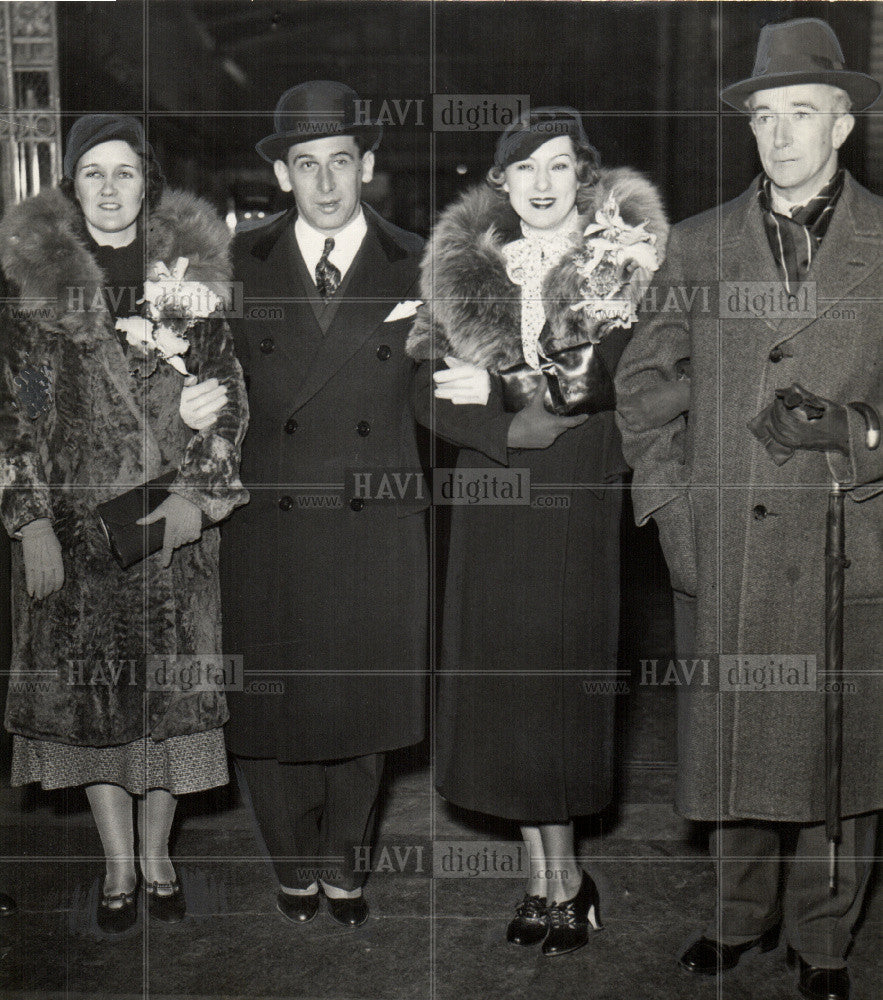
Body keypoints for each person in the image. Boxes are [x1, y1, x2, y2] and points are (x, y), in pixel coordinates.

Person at [615, 19, 881, 1000]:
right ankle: (734, 917)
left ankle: (823, 939)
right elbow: (644, 387)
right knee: (731, 747)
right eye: (764, 116)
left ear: (842, 123)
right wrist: (673, 509)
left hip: (846, 538)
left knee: (838, 759)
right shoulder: (694, 244)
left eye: (801, 114)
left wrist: (848, 435)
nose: (779, 136)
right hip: (725, 540)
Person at [408, 108, 668, 956]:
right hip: (490, 502)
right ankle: (542, 880)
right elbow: (419, 392)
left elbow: (635, 379)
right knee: (506, 696)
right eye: (525, 169)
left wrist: (551, 400)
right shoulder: (460, 272)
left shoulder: (620, 263)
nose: (543, 183)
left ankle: (567, 879)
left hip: (574, 499)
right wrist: (496, 423)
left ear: (581, 176)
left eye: (559, 166)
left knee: (556, 692)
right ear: (502, 185)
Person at [0, 114, 249, 934]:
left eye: (126, 173)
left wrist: (197, 495)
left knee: (164, 709)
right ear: (73, 186)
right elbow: (13, 420)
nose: (110, 189)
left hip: (168, 530)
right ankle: (115, 862)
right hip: (74, 536)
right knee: (92, 708)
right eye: (94, 174)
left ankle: (157, 853)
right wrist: (29, 523)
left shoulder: (191, 280)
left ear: (149, 183)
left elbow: (229, 403)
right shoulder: (32, 287)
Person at [221, 81, 428, 928]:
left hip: (372, 515)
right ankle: (291, 862)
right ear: (282, 177)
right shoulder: (231, 264)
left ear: (367, 167)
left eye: (340, 162)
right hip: (268, 515)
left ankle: (345, 862)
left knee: (362, 703)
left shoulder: (419, 259)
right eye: (305, 165)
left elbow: (446, 394)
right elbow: (200, 379)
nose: (326, 182)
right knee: (271, 710)